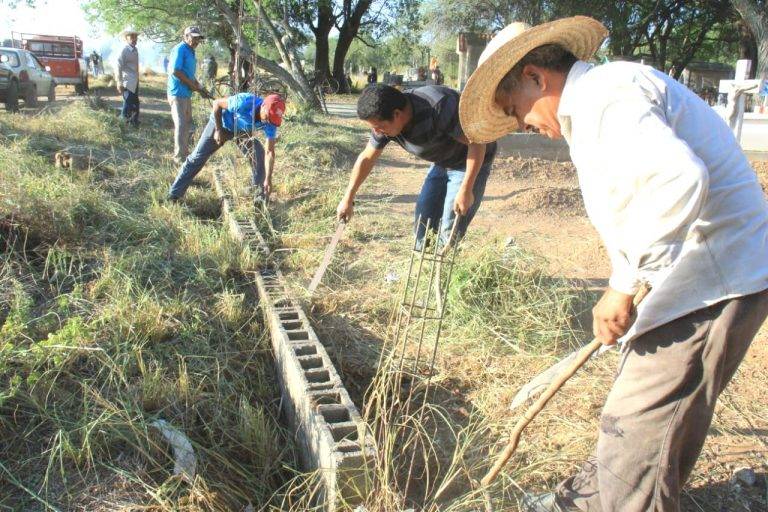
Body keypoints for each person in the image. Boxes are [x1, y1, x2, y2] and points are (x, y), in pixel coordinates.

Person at [459, 16, 768, 512]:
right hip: (694, 273)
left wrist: (624, 285)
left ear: (536, 77)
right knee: (651, 418)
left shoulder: (607, 95)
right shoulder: (596, 104)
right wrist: (631, 277)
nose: (521, 125)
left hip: (716, 276)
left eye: (515, 109)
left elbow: (679, 179)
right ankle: (595, 500)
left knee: (639, 418)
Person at [336, 84, 497, 248]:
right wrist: (348, 198)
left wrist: (466, 189)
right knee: (423, 224)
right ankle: (423, 256)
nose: (377, 132)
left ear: (397, 114)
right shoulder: (384, 122)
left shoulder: (439, 106)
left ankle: (444, 259)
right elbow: (367, 158)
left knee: (451, 227)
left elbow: (476, 143)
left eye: (379, 127)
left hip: (469, 161)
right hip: (442, 162)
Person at [167, 92, 284, 204]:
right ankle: (174, 194)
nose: (268, 121)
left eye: (272, 120)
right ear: (263, 106)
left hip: (242, 131)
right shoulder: (244, 102)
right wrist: (218, 130)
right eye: (267, 117)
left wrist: (268, 179)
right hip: (221, 123)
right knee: (197, 157)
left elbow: (269, 152)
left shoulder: (271, 122)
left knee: (259, 156)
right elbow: (217, 103)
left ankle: (258, 198)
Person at [167, 26, 212, 164]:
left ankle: (184, 154)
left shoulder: (191, 51)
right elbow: (175, 71)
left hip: (186, 93)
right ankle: (179, 158)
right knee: (181, 124)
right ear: (186, 36)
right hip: (177, 92)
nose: (197, 41)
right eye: (194, 38)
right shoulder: (180, 49)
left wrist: (199, 87)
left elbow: (189, 74)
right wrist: (192, 85)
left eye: (198, 38)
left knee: (186, 124)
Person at [114, 29, 140, 126]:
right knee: (128, 103)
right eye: (131, 37)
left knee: (135, 102)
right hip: (127, 81)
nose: (134, 39)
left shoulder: (135, 50)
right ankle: (122, 123)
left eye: (135, 37)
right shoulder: (124, 50)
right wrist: (119, 82)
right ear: (126, 38)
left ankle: (133, 121)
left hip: (135, 80)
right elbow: (118, 66)